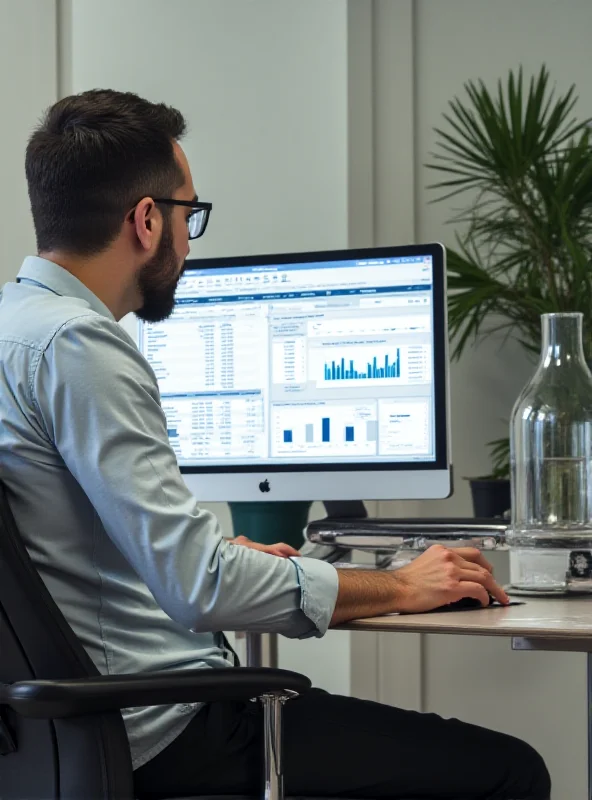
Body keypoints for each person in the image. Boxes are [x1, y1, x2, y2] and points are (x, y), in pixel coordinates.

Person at [0, 89, 550, 800]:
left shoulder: (16, 329)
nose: (190, 240)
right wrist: (403, 584)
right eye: (187, 214)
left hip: (52, 743)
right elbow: (200, 588)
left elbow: (64, 558)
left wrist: (215, 559)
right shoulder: (80, 347)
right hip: (161, 733)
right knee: (509, 771)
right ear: (145, 220)